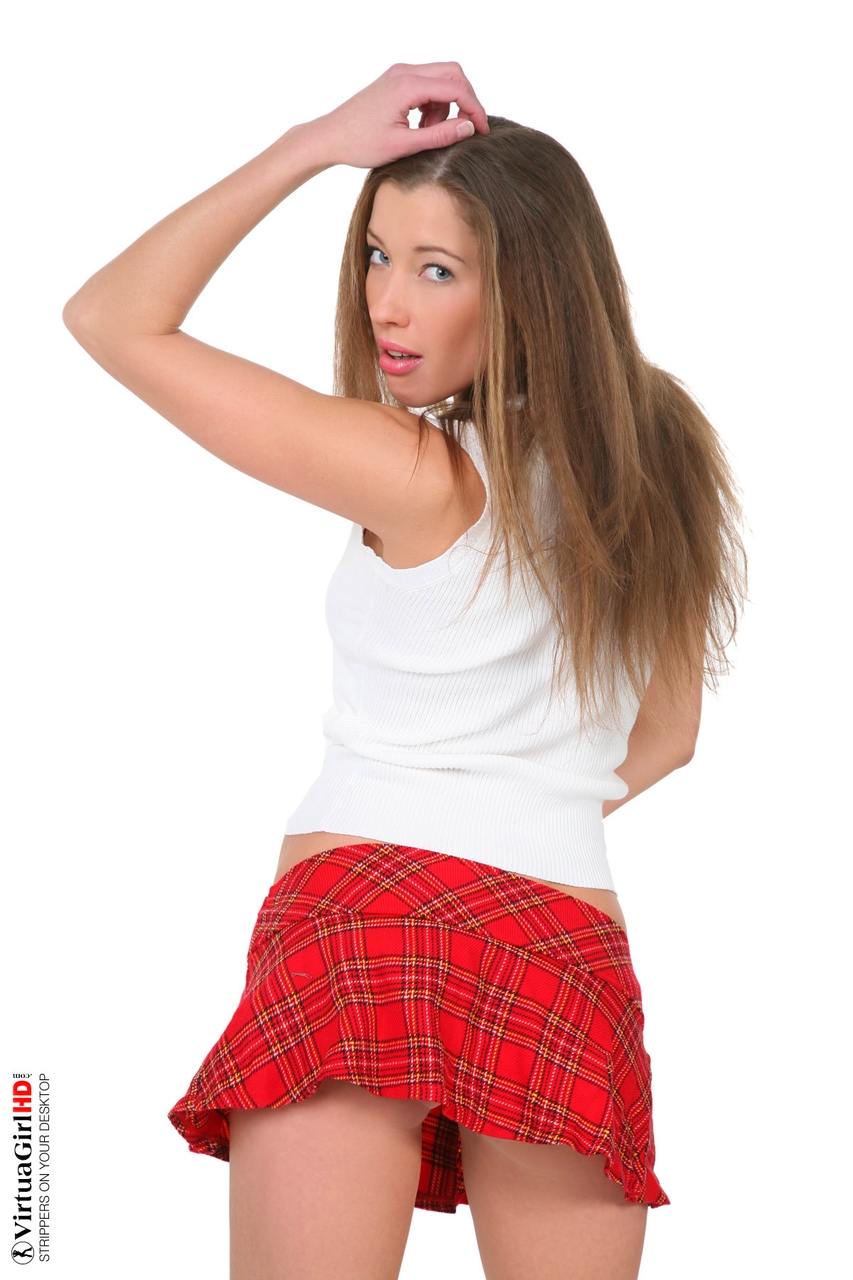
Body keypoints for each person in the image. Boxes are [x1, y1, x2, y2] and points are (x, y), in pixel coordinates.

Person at [63, 62, 746, 1280]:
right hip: (559, 948)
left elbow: (113, 318)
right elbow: (668, 734)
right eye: (378, 255)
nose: (386, 301)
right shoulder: (661, 460)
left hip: (358, 924)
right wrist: (513, 803)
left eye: (437, 269)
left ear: (527, 285)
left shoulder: (411, 467)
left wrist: (314, 141)